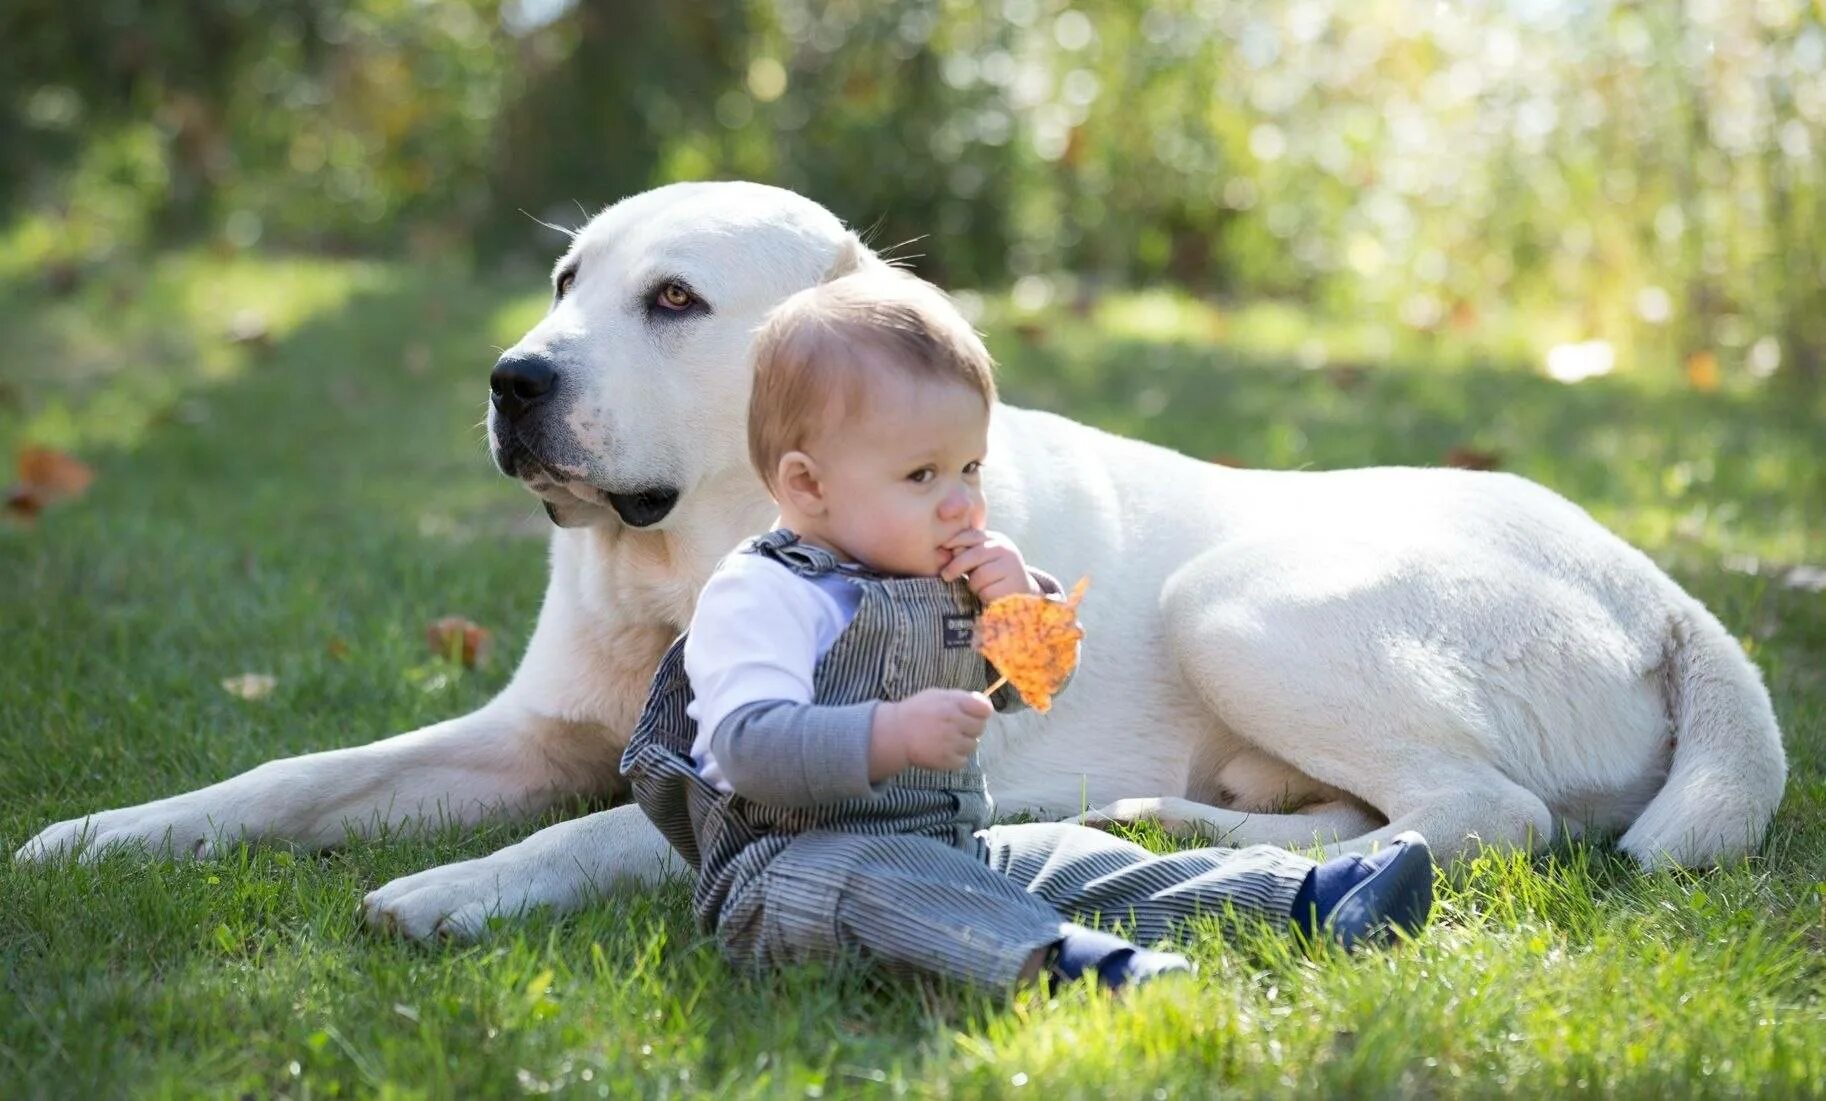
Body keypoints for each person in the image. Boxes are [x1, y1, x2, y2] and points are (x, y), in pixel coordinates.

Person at [620, 269, 1433, 993]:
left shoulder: (936, 572)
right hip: (792, 875)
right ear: (807, 484)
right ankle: (1076, 965)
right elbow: (748, 747)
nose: (962, 503)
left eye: (969, 467)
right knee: (895, 892)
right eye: (922, 475)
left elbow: (1032, 691)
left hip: (949, 841)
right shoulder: (761, 593)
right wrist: (889, 733)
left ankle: (1303, 900)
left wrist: (1021, 614)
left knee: (1074, 859)